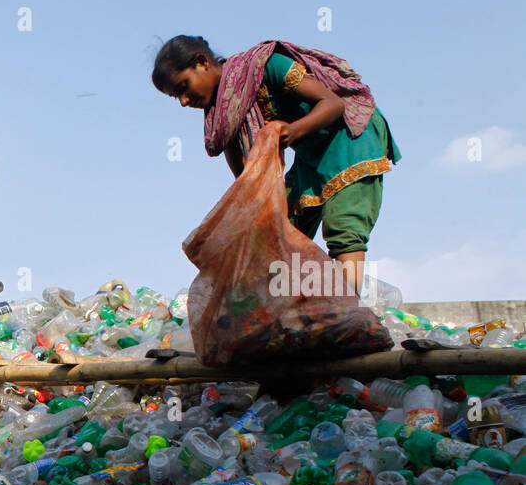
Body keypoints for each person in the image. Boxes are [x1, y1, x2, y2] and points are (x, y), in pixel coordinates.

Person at [153, 35, 400, 296]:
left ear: (201, 63)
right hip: (311, 155)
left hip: (349, 139)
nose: (183, 101)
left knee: (344, 229)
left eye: (183, 87)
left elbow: (333, 104)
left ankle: (350, 313)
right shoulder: (223, 115)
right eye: (175, 97)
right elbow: (247, 179)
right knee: (278, 232)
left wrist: (293, 131)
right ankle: (296, 314)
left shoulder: (265, 66)